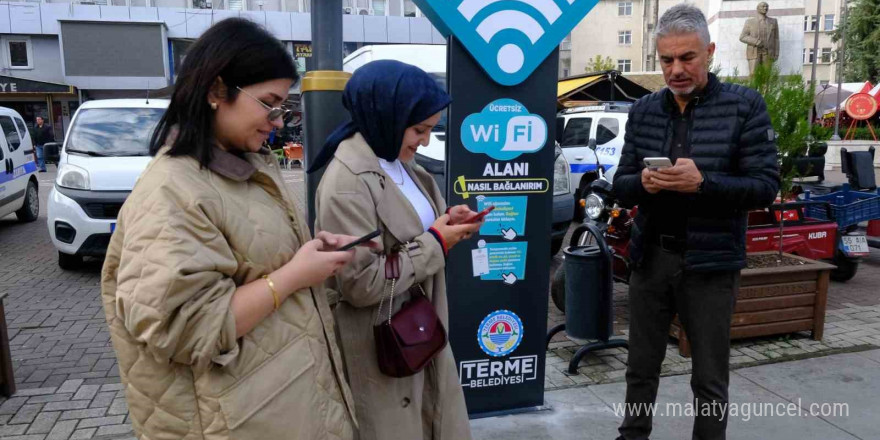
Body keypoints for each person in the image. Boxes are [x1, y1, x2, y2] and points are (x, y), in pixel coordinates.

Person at [101, 19, 362, 440]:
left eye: (282, 108)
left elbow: (258, 262)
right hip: (234, 419)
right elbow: (185, 327)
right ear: (216, 91)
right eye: (269, 103)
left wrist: (311, 254)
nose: (278, 121)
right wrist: (295, 274)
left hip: (281, 404)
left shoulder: (247, 168)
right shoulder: (172, 191)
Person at [612, 4, 779, 440]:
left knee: (709, 377)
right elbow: (621, 183)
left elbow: (764, 186)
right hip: (652, 259)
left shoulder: (744, 106)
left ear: (709, 51)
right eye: (667, 60)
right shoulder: (645, 110)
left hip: (711, 264)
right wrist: (644, 183)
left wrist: (703, 183)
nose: (676, 70)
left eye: (687, 58)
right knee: (640, 368)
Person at [312, 60, 481, 440]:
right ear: (386, 114)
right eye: (419, 129)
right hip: (384, 344)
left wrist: (449, 220)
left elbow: (418, 228)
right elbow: (360, 283)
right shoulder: (347, 182)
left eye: (430, 130)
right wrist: (437, 241)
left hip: (422, 331)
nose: (425, 141)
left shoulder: (400, 162)